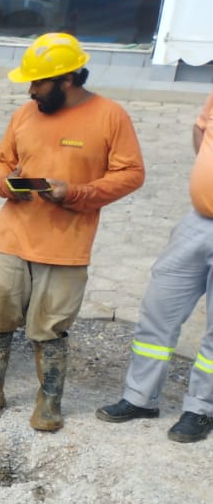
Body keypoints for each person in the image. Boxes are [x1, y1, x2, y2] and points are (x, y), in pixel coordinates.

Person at [0, 32, 145, 431]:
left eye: (38, 82)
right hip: (13, 238)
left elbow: (132, 174)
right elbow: (0, 162)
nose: (31, 91)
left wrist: (77, 193)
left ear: (67, 79)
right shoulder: (24, 115)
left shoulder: (110, 116)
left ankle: (49, 401)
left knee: (49, 327)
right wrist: (4, 183)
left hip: (66, 245)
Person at [95, 89, 213, 443]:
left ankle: (200, 409)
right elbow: (200, 130)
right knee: (159, 309)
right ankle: (140, 398)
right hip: (199, 219)